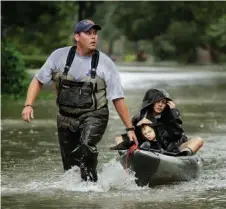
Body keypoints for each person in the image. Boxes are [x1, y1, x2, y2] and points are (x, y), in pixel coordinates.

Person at [21, 19, 137, 182]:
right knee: (71, 168)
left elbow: (117, 97)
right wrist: (28, 104)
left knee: (86, 145)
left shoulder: (106, 64)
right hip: (65, 117)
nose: (94, 37)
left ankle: (92, 187)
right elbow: (38, 80)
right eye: (88, 33)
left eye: (95, 33)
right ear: (77, 36)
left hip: (95, 115)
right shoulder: (58, 56)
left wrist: (130, 128)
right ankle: (77, 195)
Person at [133, 88, 204, 155]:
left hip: (173, 150)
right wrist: (137, 127)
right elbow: (133, 140)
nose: (160, 105)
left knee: (198, 140)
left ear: (166, 104)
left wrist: (174, 112)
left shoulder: (172, 115)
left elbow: (177, 134)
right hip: (151, 150)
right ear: (152, 103)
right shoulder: (139, 118)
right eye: (157, 101)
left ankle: (184, 155)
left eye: (163, 102)